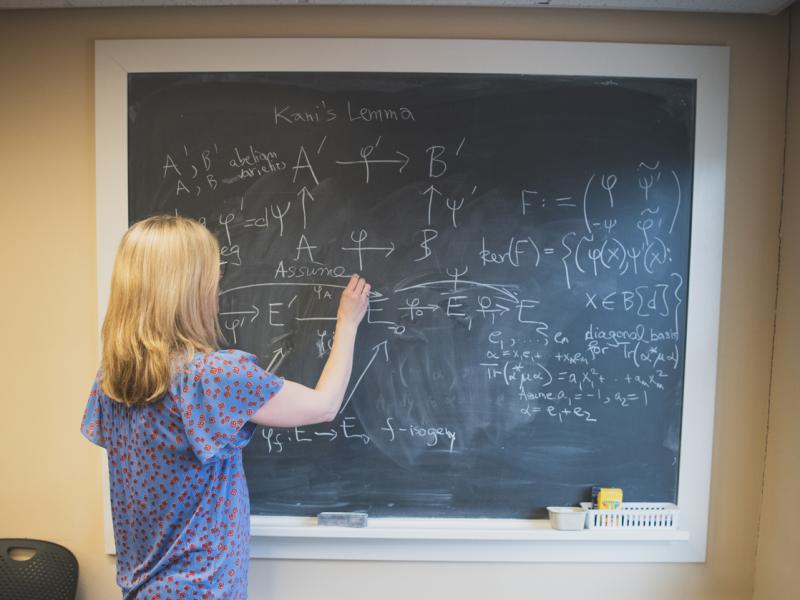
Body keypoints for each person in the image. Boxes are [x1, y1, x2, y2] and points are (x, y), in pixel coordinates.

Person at [80, 215, 370, 599]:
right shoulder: (212, 376)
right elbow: (324, 405)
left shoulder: (111, 380)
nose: (217, 287)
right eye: (211, 277)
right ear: (189, 289)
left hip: (141, 590)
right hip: (201, 591)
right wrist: (347, 323)